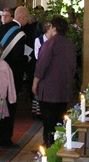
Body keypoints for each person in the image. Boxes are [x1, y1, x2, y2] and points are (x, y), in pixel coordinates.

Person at [33, 16, 76, 147]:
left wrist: (35, 82)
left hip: (49, 90)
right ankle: (59, 146)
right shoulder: (70, 45)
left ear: (54, 28)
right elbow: (73, 67)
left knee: (48, 121)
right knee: (59, 120)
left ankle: (49, 147)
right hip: (64, 90)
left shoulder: (50, 43)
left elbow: (42, 64)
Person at [0, 6, 31, 148]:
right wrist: (28, 58)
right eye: (26, 19)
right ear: (22, 18)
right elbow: (17, 59)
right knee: (10, 106)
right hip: (11, 76)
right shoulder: (20, 34)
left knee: (0, 105)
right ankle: (5, 138)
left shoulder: (2, 28)